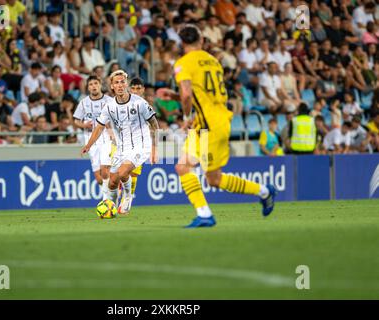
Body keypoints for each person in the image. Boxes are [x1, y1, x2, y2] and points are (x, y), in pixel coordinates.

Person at [172, 25, 276, 228]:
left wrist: (186, 116)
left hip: (209, 125)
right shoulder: (213, 61)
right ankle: (262, 191)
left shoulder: (183, 63)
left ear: (182, 43)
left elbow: (186, 94)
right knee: (196, 172)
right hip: (216, 120)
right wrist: (174, 96)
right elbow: (203, 95)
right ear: (201, 41)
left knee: (207, 176)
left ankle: (208, 213)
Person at [81, 70, 159, 215]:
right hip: (122, 148)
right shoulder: (110, 107)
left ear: (127, 84)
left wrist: (155, 148)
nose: (120, 85)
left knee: (124, 172)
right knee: (112, 182)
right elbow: (99, 127)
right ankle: (111, 207)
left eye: (123, 82)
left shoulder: (140, 103)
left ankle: (128, 196)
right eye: (116, 83)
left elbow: (155, 125)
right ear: (112, 86)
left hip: (141, 146)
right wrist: (88, 145)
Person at [74, 76, 114, 201]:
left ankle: (106, 200)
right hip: (90, 140)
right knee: (98, 177)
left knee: (104, 169)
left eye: (96, 83)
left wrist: (111, 131)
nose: (93, 86)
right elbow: (76, 121)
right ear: (88, 87)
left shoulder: (109, 101)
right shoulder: (84, 102)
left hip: (106, 138)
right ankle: (111, 191)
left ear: (100, 84)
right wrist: (84, 125)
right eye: (90, 84)